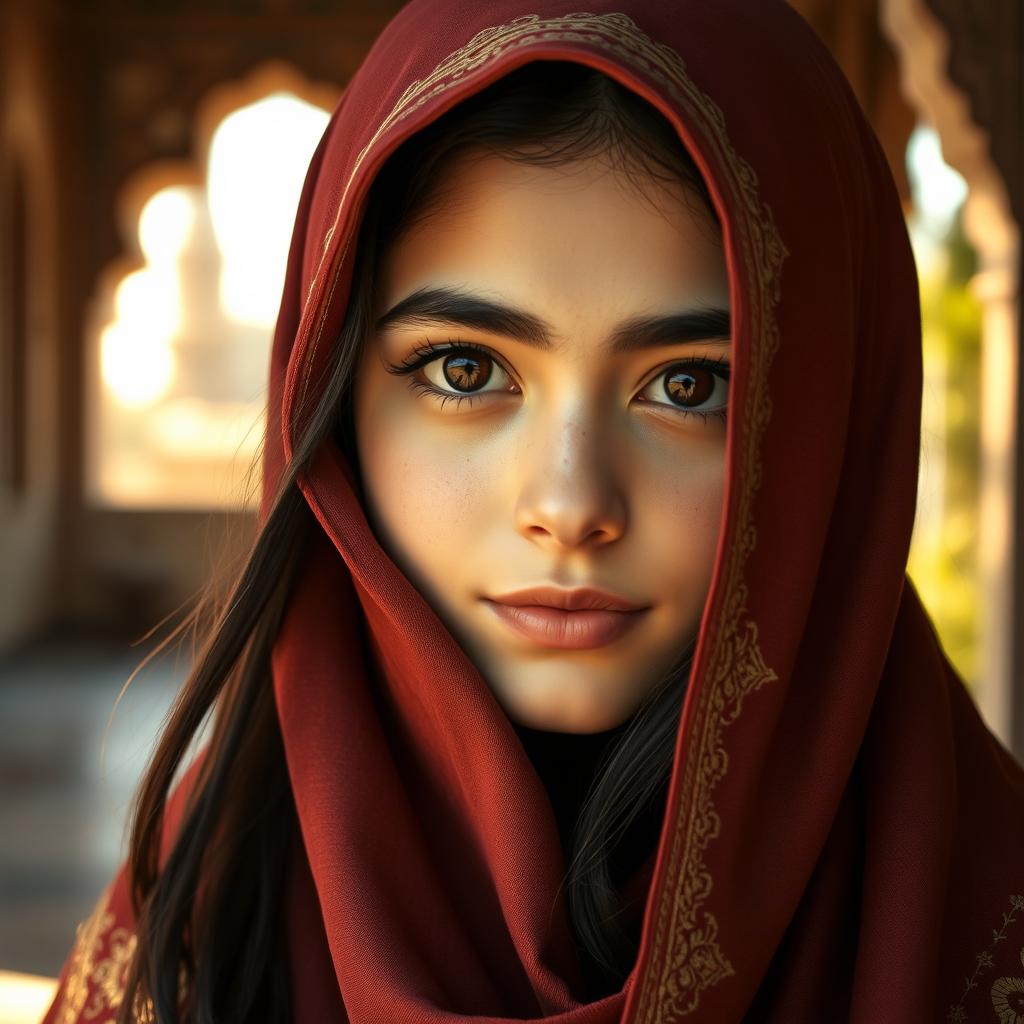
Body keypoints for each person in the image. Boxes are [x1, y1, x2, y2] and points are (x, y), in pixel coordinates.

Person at [43, 1, 1024, 1022]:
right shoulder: (210, 917)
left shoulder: (974, 930)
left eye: (690, 386)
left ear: (833, 428)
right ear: (330, 408)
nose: (569, 505)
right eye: (464, 371)